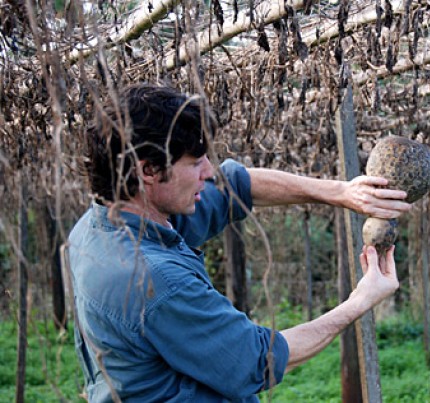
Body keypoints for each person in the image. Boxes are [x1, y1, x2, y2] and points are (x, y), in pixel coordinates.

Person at [68, 84, 410, 402]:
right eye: (195, 161)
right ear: (148, 170)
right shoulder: (155, 281)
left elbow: (234, 184)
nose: (207, 171)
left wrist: (341, 192)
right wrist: (361, 300)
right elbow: (259, 361)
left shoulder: (99, 228)